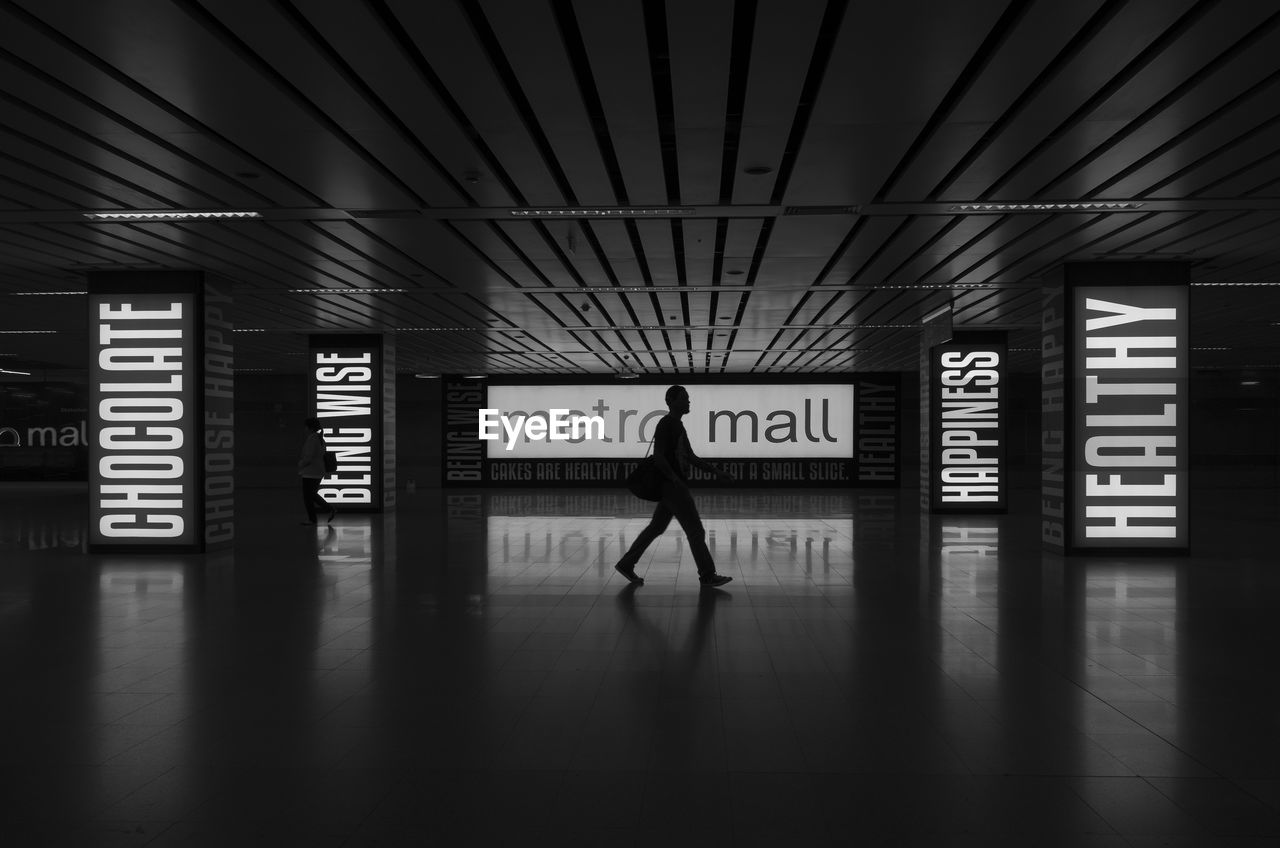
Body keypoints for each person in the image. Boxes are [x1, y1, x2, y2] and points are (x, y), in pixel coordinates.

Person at [615, 385, 735, 587]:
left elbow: (690, 456)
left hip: (671, 486)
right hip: (673, 487)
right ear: (671, 401)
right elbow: (659, 455)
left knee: (656, 528)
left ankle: (627, 563)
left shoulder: (677, 425)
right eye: (684, 398)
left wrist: (716, 472)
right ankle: (707, 574)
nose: (688, 401)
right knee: (695, 531)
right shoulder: (666, 424)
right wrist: (675, 479)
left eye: (688, 398)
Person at [297, 416, 336, 525]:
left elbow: (308, 457)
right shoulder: (320, 438)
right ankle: (328, 509)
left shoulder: (312, 438)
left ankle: (314, 518)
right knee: (312, 495)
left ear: (309, 427)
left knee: (308, 497)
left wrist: (300, 464)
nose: (304, 429)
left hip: (310, 472)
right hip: (318, 471)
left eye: (305, 427)